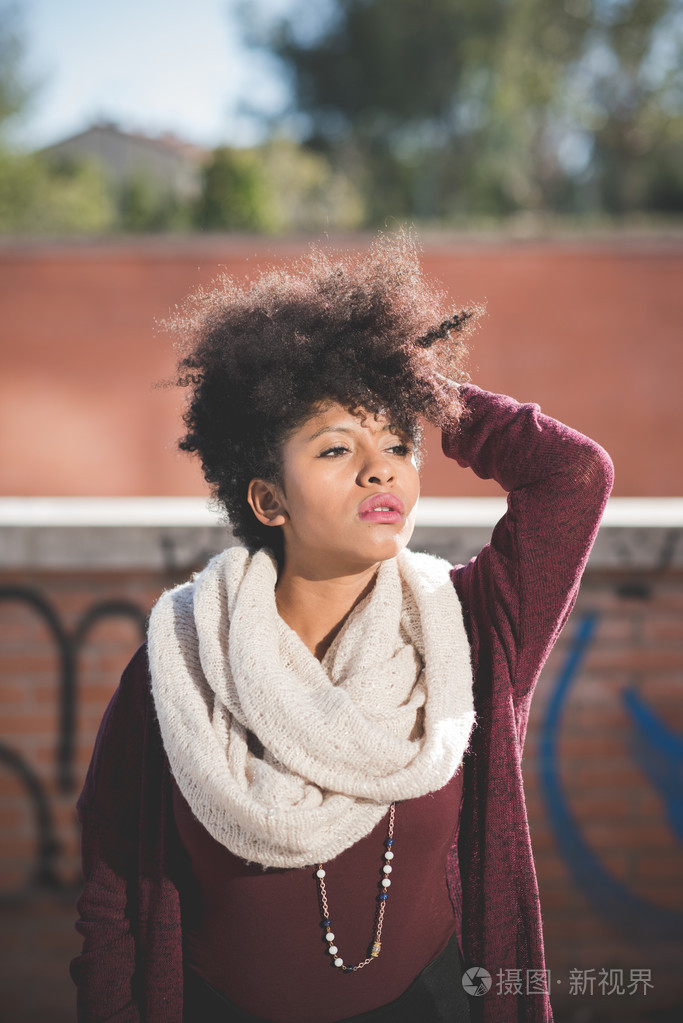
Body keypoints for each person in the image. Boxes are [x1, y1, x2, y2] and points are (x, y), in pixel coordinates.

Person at [69, 234, 613, 1023]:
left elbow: (574, 476)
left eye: (396, 444)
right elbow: (112, 887)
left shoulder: (469, 628)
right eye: (336, 448)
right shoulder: (181, 658)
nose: (380, 468)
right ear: (267, 500)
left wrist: (422, 388)